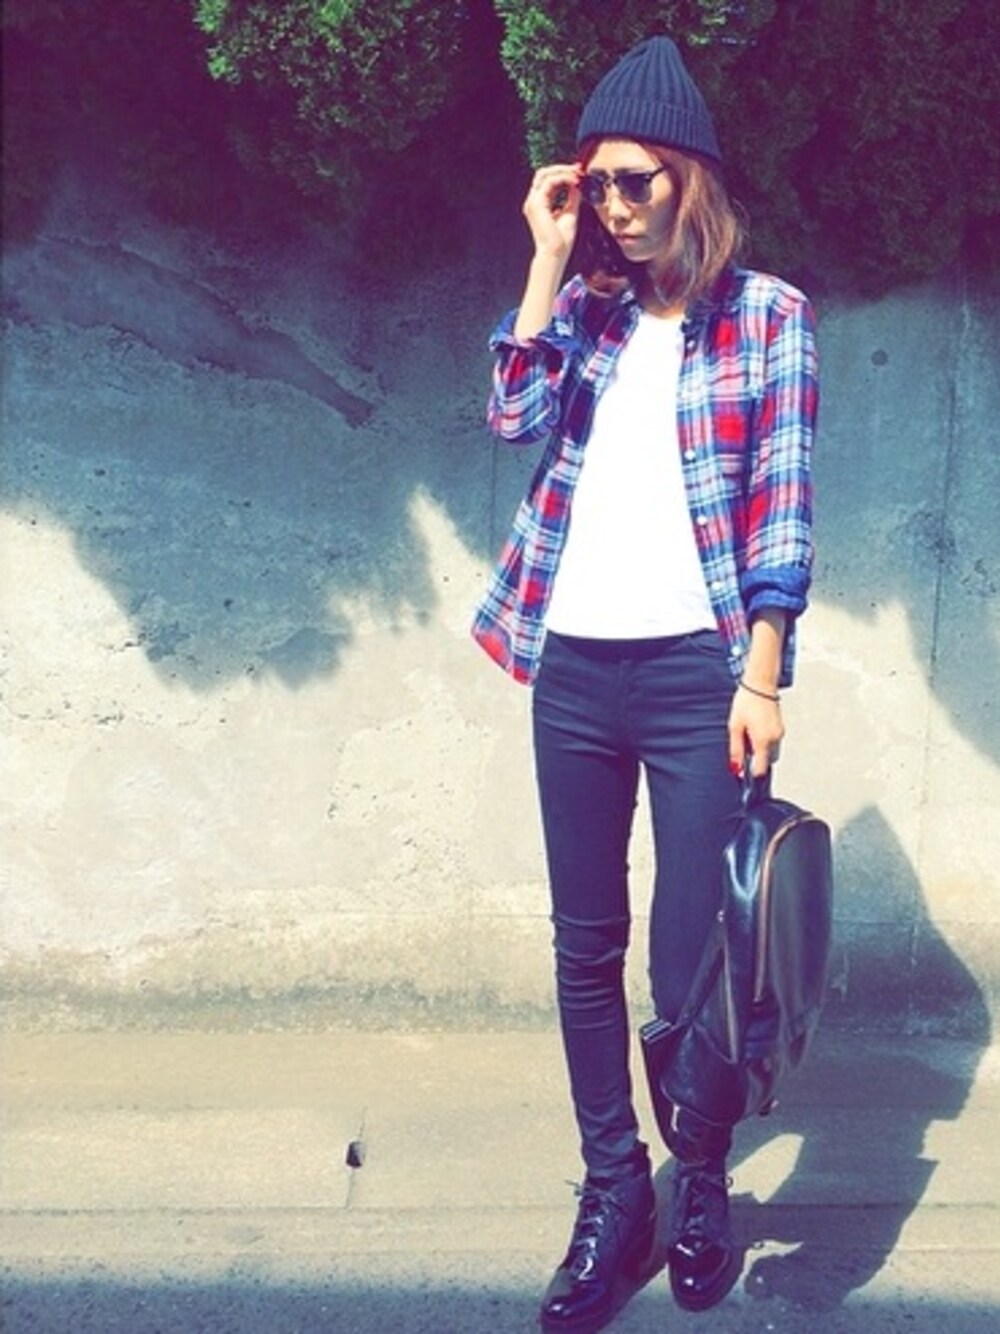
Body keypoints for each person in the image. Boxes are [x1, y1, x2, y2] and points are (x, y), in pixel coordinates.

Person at [471, 33, 818, 1333]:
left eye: (635, 181)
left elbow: (782, 509)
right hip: (573, 665)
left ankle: (702, 1169)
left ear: (691, 179)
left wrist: (763, 676)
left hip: (693, 675)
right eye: (596, 181)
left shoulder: (769, 318)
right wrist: (546, 257)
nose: (614, 204)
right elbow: (509, 417)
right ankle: (617, 1191)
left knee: (694, 960)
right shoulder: (588, 314)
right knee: (585, 944)